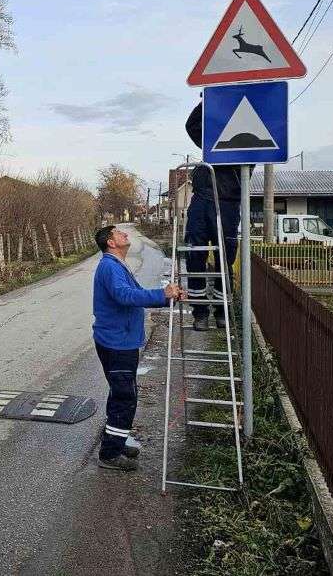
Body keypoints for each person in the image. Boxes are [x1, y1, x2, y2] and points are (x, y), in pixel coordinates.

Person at [92, 224, 184, 471]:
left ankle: (116, 442)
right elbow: (125, 296)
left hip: (122, 340)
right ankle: (110, 454)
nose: (125, 235)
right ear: (111, 243)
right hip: (116, 343)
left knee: (121, 393)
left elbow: (137, 293)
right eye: (120, 234)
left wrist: (166, 297)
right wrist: (161, 293)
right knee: (125, 396)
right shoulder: (110, 267)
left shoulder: (118, 265)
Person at [184, 101, 248, 331]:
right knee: (194, 257)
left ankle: (222, 312)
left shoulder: (249, 143)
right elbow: (192, 125)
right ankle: (200, 313)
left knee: (225, 260)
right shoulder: (210, 141)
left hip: (228, 203)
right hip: (202, 200)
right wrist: (209, 99)